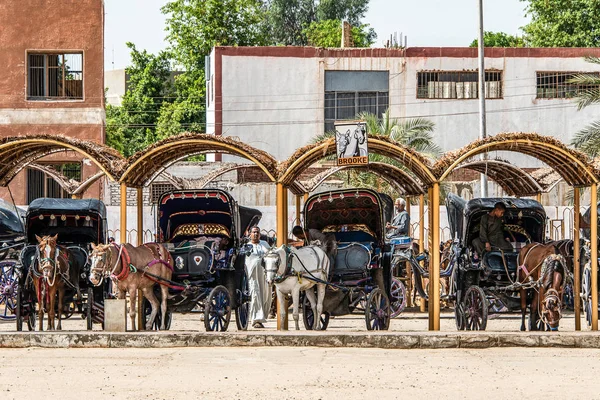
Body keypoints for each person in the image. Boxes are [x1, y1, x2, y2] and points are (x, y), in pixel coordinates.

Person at [245, 226, 272, 329]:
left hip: (264, 276)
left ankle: (262, 317)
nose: (256, 234)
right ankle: (256, 320)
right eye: (254, 232)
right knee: (255, 295)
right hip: (252, 277)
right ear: (250, 234)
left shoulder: (264, 245)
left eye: (257, 232)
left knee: (265, 296)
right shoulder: (247, 246)